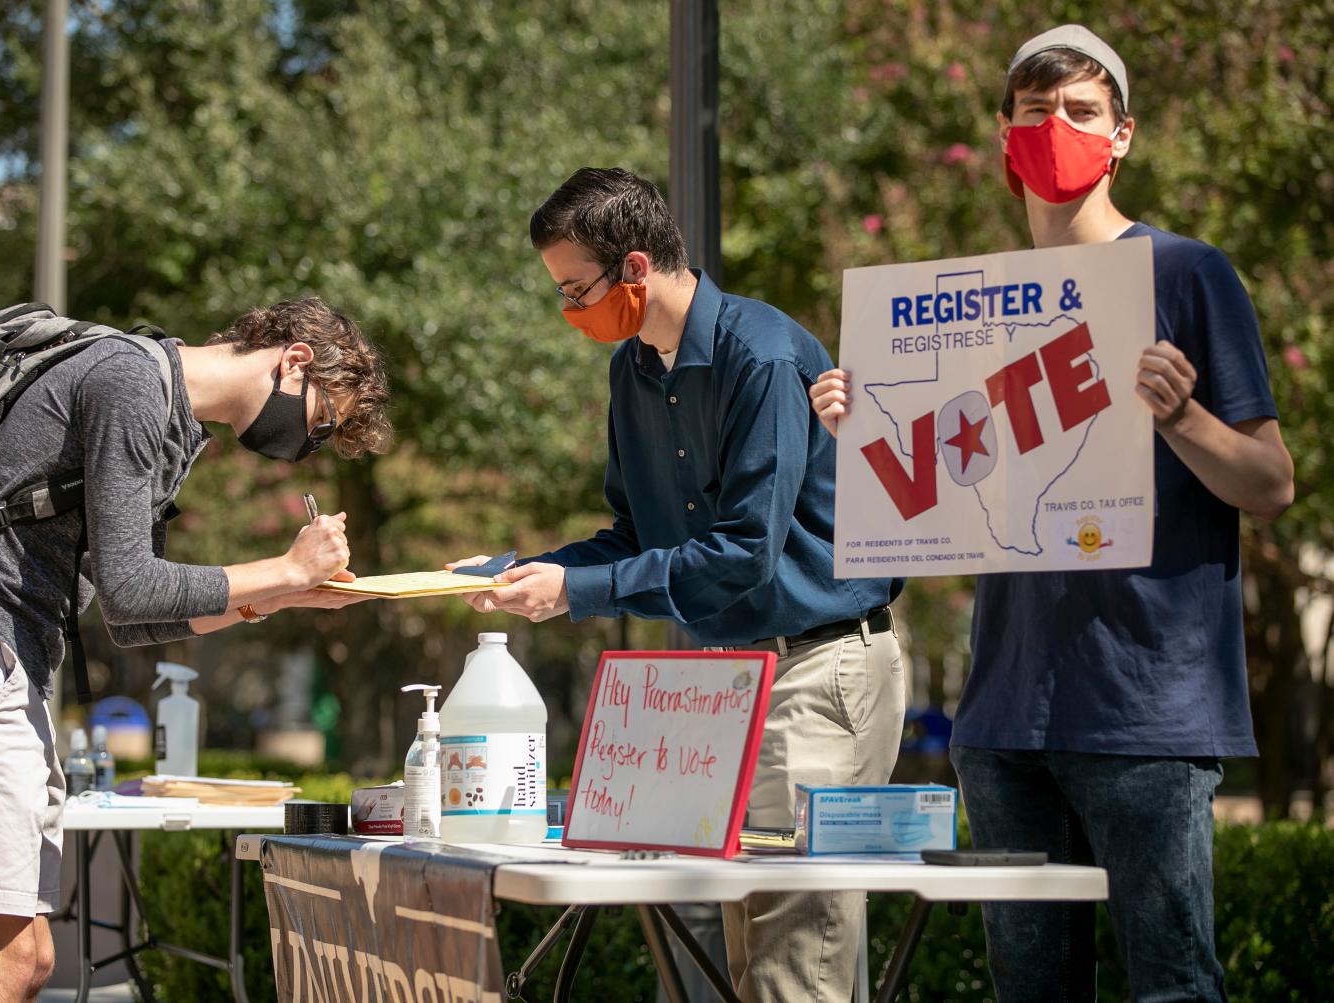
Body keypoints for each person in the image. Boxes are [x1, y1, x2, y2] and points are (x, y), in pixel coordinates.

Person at [811, 25, 1294, 1001]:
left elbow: (1270, 482)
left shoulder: (1188, 276)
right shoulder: (973, 307)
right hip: (1001, 716)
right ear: (1004, 135)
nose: (1058, 129)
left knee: (1173, 986)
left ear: (1123, 136)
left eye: (1082, 112)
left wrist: (1183, 415)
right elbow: (940, 503)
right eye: (1037, 113)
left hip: (1145, 711)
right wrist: (860, 429)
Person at [452, 167, 906, 1001]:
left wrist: (577, 593)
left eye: (574, 289)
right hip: (728, 674)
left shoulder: (761, 355)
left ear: (634, 268)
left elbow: (742, 554)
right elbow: (631, 537)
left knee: (793, 959)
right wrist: (529, 572)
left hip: (814, 666)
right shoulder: (631, 371)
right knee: (737, 956)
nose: (567, 312)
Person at [0, 296, 391, 1002]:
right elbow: (132, 588)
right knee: (0, 966)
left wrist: (282, 594)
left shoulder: (170, 418)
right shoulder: (131, 381)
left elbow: (136, 621)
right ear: (294, 360)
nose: (307, 446)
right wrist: (286, 568)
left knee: (25, 960)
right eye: (321, 422)